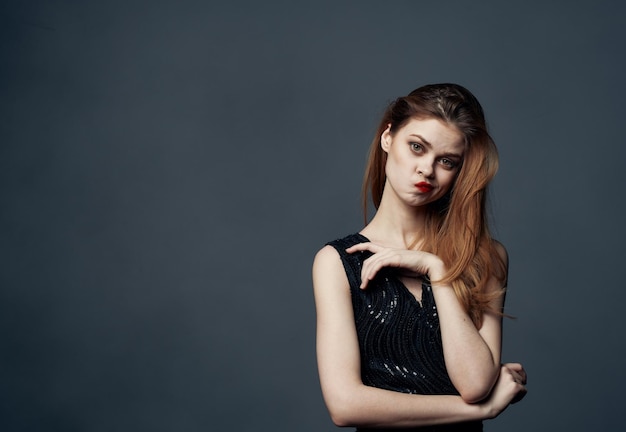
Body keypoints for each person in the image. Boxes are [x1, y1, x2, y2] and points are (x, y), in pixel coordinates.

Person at [312, 83, 527, 431]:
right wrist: (479, 411)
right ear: (387, 139)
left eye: (446, 161)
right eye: (416, 147)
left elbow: (475, 384)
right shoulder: (337, 262)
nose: (427, 169)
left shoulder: (486, 258)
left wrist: (435, 268)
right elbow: (345, 405)